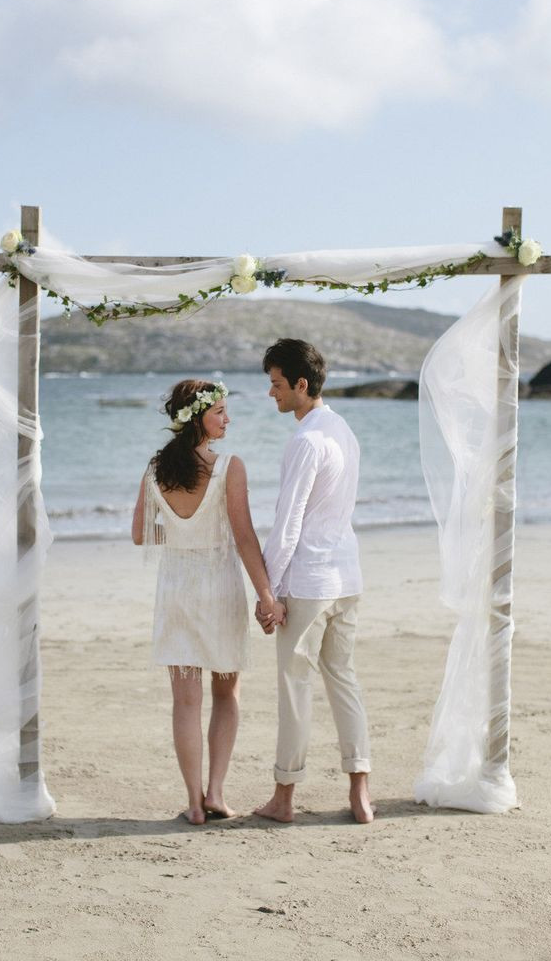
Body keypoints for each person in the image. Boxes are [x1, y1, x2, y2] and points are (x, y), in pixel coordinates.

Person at [132, 378, 284, 824]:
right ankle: (216, 792)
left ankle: (194, 804)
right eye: (219, 410)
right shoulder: (229, 466)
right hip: (218, 588)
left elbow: (141, 533)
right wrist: (266, 594)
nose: (227, 418)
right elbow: (243, 536)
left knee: (185, 702)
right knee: (226, 691)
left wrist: (180, 534)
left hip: (176, 589)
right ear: (197, 416)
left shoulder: (156, 468)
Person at [253, 339, 373, 824]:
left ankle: (284, 798)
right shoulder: (343, 430)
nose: (271, 393)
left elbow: (288, 523)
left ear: (302, 385)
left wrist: (269, 592)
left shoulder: (306, 441)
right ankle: (360, 791)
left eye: (277, 384)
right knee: (343, 679)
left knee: (295, 685)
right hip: (347, 576)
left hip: (309, 581)